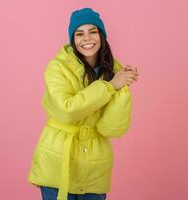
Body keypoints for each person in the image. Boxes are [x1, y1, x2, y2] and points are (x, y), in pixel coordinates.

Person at [28, 7, 139, 200]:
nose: (86, 39)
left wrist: (123, 89)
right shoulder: (57, 67)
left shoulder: (114, 71)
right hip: (58, 158)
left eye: (92, 31)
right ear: (73, 39)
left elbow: (112, 129)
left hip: (95, 165)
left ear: (102, 35)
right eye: (79, 34)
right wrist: (111, 86)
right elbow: (67, 110)